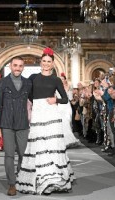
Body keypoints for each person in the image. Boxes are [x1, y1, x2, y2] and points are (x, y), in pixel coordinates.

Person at [16, 47, 75, 195]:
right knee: (39, 145)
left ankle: (54, 179)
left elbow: (65, 99)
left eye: (49, 61)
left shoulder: (56, 79)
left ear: (53, 64)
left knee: (52, 144)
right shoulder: (33, 78)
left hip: (52, 114)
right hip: (38, 113)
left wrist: (55, 99)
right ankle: (42, 179)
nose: (46, 64)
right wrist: (38, 104)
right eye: (44, 61)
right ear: (40, 62)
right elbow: (28, 95)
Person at [0, 56, 32, 196]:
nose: (17, 68)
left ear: (23, 67)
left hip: (22, 123)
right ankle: (12, 184)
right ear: (10, 66)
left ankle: (21, 178)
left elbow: (35, 101)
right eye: (15, 65)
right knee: (9, 155)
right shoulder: (2, 83)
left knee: (23, 154)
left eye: (20, 65)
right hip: (6, 123)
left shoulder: (28, 83)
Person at [57, 73, 80, 148]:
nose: (61, 80)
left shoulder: (69, 87)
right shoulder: (56, 88)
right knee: (62, 123)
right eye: (60, 79)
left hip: (67, 106)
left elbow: (70, 98)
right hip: (60, 106)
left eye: (63, 79)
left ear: (65, 80)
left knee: (67, 121)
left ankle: (69, 140)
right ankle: (63, 141)